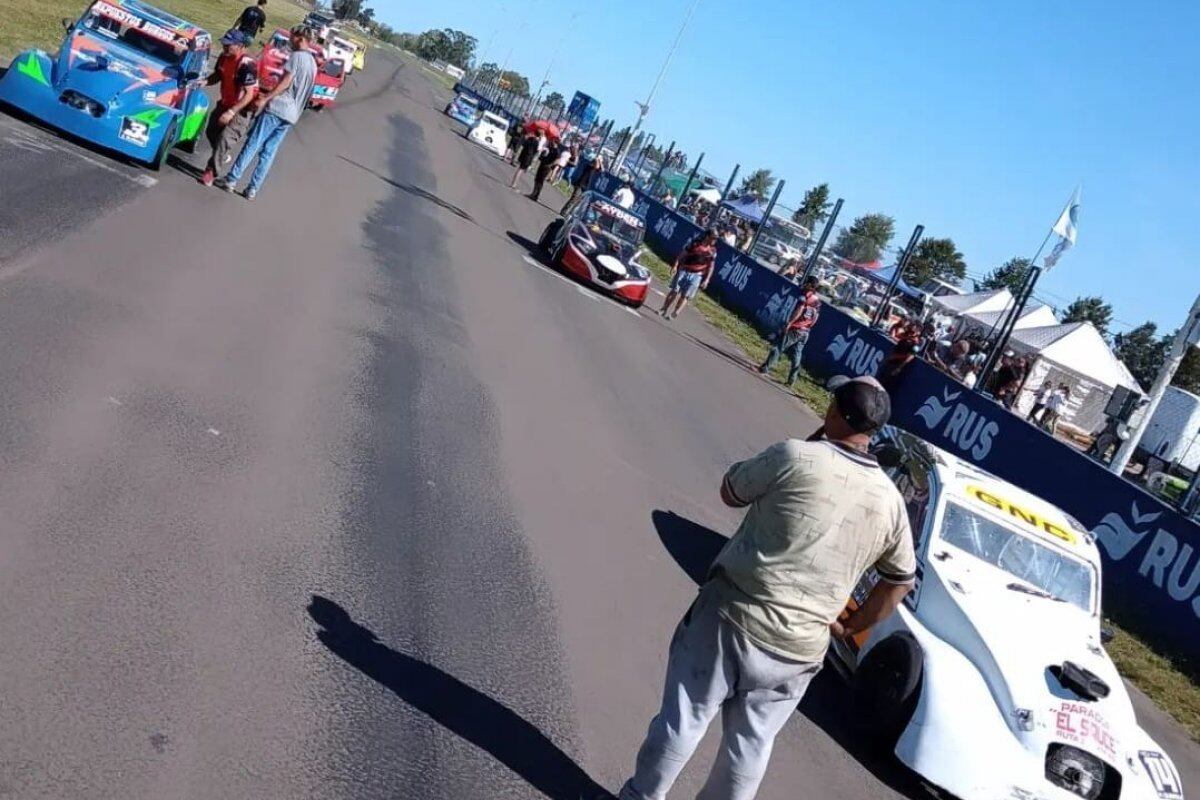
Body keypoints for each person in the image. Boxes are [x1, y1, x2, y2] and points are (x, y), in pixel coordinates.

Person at [619, 375, 915, 800]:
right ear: (874, 430)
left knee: (686, 718)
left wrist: (815, 439)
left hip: (732, 614)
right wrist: (849, 628)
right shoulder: (890, 502)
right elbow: (898, 582)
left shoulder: (795, 456)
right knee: (751, 744)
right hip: (801, 646)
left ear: (832, 410)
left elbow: (731, 491)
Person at [215, 25, 317, 199]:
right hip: (292, 114)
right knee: (269, 151)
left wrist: (266, 97)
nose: (290, 41)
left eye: (292, 37)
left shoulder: (297, 56)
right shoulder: (313, 64)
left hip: (278, 108)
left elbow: (286, 81)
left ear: (300, 38)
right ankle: (253, 188)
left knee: (253, 143)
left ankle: (232, 179)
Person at [198, 30, 259, 187]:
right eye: (224, 44)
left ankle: (211, 172)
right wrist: (205, 82)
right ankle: (222, 155)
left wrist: (232, 112)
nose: (224, 47)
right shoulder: (224, 57)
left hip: (242, 109)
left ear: (239, 46)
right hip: (225, 103)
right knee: (211, 131)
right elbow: (218, 75)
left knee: (225, 139)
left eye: (228, 45)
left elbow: (249, 94)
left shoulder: (247, 64)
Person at [759, 276, 820, 386]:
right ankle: (791, 381)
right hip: (805, 332)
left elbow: (799, 310)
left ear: (810, 285)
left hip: (796, 329)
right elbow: (815, 317)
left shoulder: (805, 296)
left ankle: (765, 368)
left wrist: (790, 323)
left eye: (806, 283)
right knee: (797, 356)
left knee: (778, 347)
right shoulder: (817, 301)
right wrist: (808, 326)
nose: (804, 284)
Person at [659, 228, 718, 320]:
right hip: (685, 270)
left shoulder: (713, 251)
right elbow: (683, 254)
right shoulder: (695, 243)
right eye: (713, 238)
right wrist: (675, 265)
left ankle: (675, 313)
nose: (715, 240)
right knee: (674, 291)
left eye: (716, 239)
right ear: (707, 236)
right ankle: (664, 308)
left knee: (685, 295)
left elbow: (711, 266)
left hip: (697, 275)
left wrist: (706, 280)